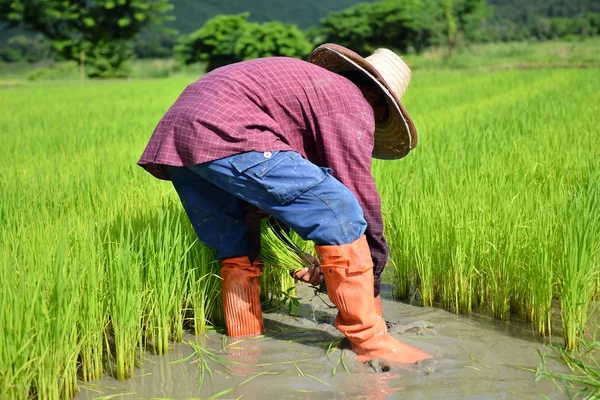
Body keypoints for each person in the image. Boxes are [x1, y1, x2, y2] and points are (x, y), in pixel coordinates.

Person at [138, 43, 432, 365]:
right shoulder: (353, 102)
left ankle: (244, 344)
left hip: (180, 135)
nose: (372, 126)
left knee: (237, 246)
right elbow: (355, 195)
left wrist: (296, 257)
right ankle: (371, 343)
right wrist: (373, 277)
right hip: (229, 131)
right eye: (381, 117)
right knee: (341, 208)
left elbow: (264, 196)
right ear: (376, 97)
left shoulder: (314, 87)